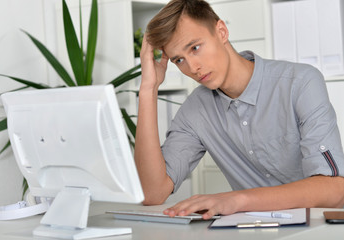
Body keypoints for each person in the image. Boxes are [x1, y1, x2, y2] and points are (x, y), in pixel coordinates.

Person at [134, 0, 344, 219]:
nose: (192, 68)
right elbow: (152, 193)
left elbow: (335, 189)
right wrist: (149, 88)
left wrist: (238, 200)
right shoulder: (195, 110)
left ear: (222, 31)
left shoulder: (299, 82)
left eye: (195, 48)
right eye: (179, 60)